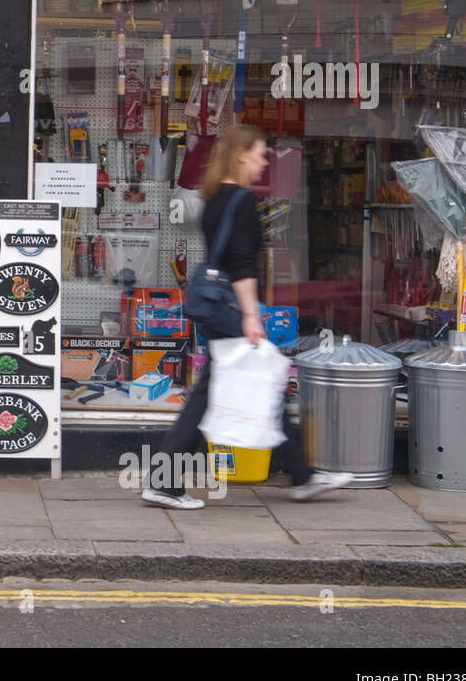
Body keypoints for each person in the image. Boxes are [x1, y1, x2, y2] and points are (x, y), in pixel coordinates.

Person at [142, 124, 353, 509]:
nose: (263, 162)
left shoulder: (215, 197)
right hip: (231, 311)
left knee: (246, 389)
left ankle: (302, 474)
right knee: (236, 392)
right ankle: (163, 482)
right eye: (259, 154)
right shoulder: (241, 201)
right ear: (241, 154)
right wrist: (253, 316)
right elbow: (240, 266)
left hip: (219, 308)